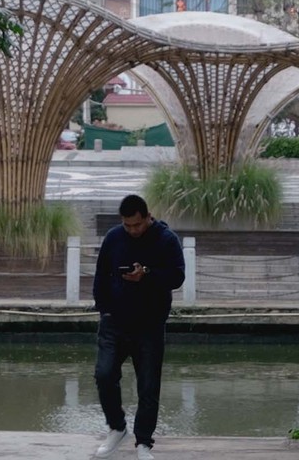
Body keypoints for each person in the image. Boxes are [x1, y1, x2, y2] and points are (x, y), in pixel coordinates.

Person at [92, 194, 185, 459]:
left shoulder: (166, 240)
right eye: (127, 225)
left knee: (148, 385)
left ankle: (143, 442)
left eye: (136, 225)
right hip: (114, 321)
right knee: (104, 374)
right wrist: (104, 308)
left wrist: (147, 273)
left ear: (147, 217)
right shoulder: (114, 237)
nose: (132, 230)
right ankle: (117, 427)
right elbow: (101, 273)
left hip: (149, 324)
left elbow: (177, 276)